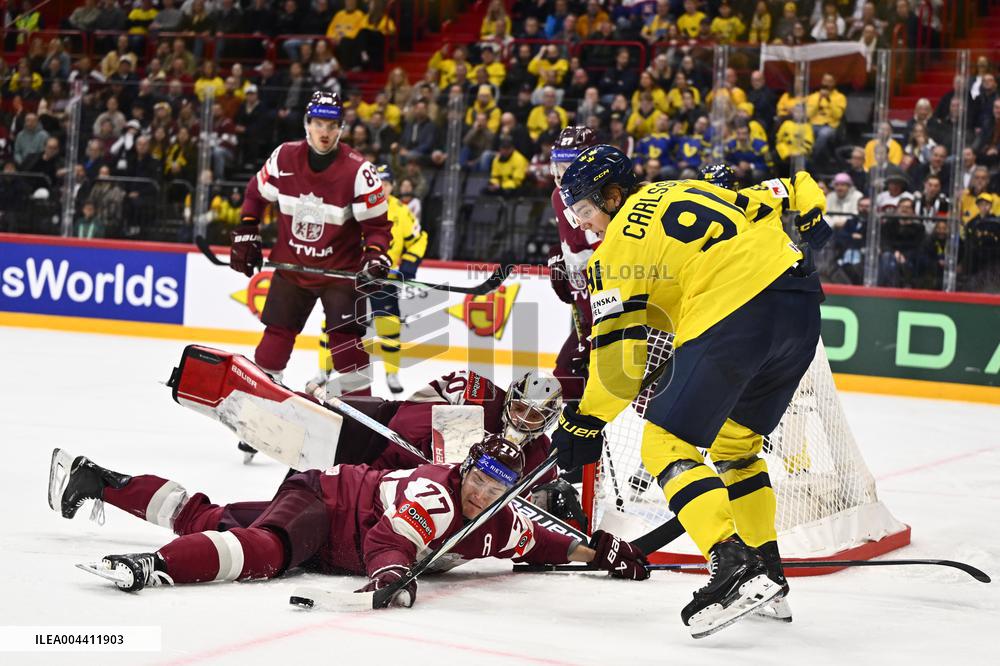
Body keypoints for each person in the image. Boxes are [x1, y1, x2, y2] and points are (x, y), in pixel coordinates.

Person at [551, 145, 828, 638]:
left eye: (588, 211)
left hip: (738, 311)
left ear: (613, 196)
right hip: (802, 307)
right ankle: (768, 574)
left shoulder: (613, 252)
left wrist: (585, 420)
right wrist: (813, 215)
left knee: (663, 442)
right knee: (735, 446)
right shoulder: (691, 187)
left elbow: (620, 364)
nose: (585, 224)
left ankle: (732, 562)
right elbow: (779, 194)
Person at [51, 435, 648, 600]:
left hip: (331, 507)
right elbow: (388, 540)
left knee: (212, 521)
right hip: (330, 504)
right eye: (479, 474)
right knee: (265, 553)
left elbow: (542, 544)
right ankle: (151, 568)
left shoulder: (500, 521)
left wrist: (601, 553)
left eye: (497, 484)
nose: (482, 489)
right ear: (465, 468)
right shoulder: (438, 497)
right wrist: (391, 575)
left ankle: (100, 480)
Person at [230, 90, 391, 409]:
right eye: (319, 123)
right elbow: (255, 194)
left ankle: (364, 412)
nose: (325, 132)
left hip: (341, 272)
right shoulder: (283, 157)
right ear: (307, 124)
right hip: (292, 267)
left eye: (332, 125)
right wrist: (248, 226)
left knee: (348, 343)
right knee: (276, 336)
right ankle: (260, 406)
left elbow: (377, 228)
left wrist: (375, 254)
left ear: (341, 128)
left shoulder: (359, 171)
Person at [308, 164, 427, 396]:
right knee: (334, 325)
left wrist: (409, 264)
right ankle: (324, 370)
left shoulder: (402, 212)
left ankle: (392, 373)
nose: (381, 186)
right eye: (377, 181)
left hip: (384, 280)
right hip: (352, 279)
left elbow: (419, 238)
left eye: (386, 182)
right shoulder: (356, 208)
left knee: (389, 326)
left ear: (392, 185)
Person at [546, 127, 601, 402]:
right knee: (567, 380)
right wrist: (561, 257)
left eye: (570, 163)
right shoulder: (559, 196)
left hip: (611, 312)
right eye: (559, 161)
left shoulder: (606, 197)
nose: (561, 170)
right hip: (585, 307)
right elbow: (575, 243)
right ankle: (579, 443)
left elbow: (613, 257)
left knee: (643, 398)